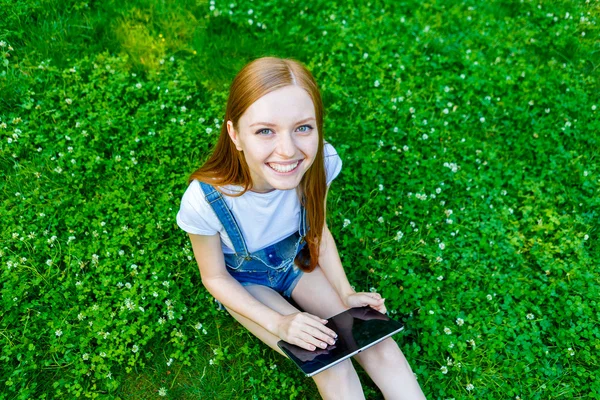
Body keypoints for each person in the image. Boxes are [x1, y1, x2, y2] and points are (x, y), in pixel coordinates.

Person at [176, 56, 426, 399]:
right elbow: (215, 277)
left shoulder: (321, 161)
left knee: (377, 343)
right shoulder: (205, 200)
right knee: (330, 362)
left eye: (303, 128)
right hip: (246, 281)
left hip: (297, 260)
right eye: (265, 131)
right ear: (235, 134)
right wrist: (279, 323)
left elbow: (317, 230)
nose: (288, 150)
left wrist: (346, 291)